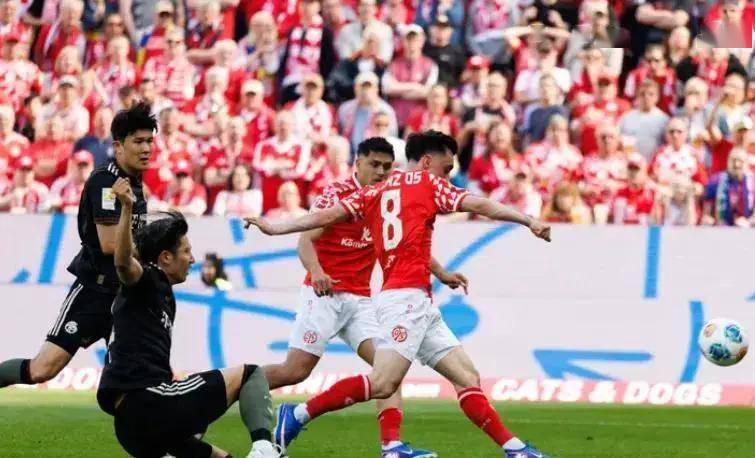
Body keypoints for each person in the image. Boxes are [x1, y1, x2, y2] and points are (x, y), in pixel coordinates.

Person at [244, 131, 552, 458]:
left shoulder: (376, 191)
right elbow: (479, 204)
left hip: (407, 300)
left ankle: (515, 449)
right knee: (380, 381)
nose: (447, 177)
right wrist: (527, 219)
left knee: (466, 377)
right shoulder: (427, 182)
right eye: (446, 169)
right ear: (427, 162)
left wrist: (276, 227)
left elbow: (327, 217)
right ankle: (297, 414)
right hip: (398, 300)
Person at [262, 137, 439, 458]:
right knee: (294, 371)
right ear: (358, 163)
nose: (381, 171)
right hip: (324, 295)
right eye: (374, 164)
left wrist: (441, 272)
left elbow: (407, 244)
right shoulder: (336, 194)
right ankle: (222, 389)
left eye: (387, 166)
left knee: (389, 368)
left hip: (360, 301)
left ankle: (391, 446)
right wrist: (316, 271)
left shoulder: (388, 197)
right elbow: (306, 241)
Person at [99, 182, 280, 458]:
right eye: (186, 251)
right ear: (165, 257)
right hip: (149, 403)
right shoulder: (146, 280)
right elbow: (123, 262)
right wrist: (126, 208)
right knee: (251, 374)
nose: (193, 259)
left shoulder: (158, 293)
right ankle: (265, 450)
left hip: (134, 427)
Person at [0, 103, 155, 389]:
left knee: (138, 372)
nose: (146, 149)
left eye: (149, 141)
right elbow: (110, 244)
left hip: (125, 294)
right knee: (42, 369)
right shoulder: (107, 182)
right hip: (94, 292)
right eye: (138, 142)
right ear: (118, 146)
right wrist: (156, 247)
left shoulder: (134, 184)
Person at [701, 148, 755, 227]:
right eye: (733, 160)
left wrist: (748, 222)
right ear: (728, 162)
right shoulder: (716, 180)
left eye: (740, 161)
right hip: (721, 228)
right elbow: (707, 211)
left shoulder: (753, 182)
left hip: (747, 228)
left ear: (747, 163)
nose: (736, 164)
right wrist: (708, 219)